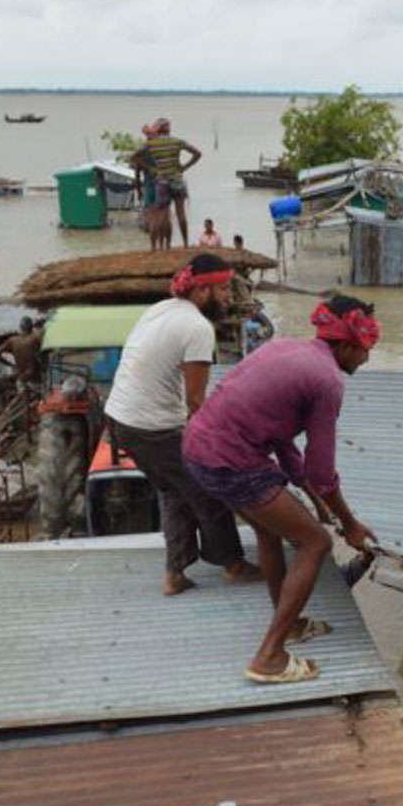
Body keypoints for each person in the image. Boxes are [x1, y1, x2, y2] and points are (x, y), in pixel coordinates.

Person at [182, 295, 380, 684]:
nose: (366, 360)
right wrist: (349, 523)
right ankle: (269, 656)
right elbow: (324, 473)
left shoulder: (285, 346)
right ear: (344, 344)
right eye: (364, 350)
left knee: (270, 530)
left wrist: (309, 496)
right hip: (230, 461)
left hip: (196, 447)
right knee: (316, 543)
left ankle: (290, 625)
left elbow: (284, 441)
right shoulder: (327, 381)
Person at [105, 253, 261, 596]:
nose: (228, 298)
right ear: (202, 291)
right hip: (152, 427)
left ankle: (175, 574)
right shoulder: (197, 328)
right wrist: (223, 443)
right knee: (209, 486)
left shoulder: (159, 309)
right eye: (223, 290)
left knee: (174, 490)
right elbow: (196, 401)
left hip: (121, 420)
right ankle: (233, 565)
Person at [144, 118, 203, 247]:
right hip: (177, 180)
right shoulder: (177, 141)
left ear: (158, 130)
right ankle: (185, 243)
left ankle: (157, 248)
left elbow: (134, 156)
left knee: (161, 216)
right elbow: (197, 153)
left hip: (162, 181)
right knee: (181, 213)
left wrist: (150, 168)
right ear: (169, 129)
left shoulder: (151, 144)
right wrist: (184, 167)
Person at [0, 316, 44, 388]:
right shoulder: (35, 338)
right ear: (31, 327)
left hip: (22, 375)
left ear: (20, 327)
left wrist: (11, 365)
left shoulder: (12, 340)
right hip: (36, 375)